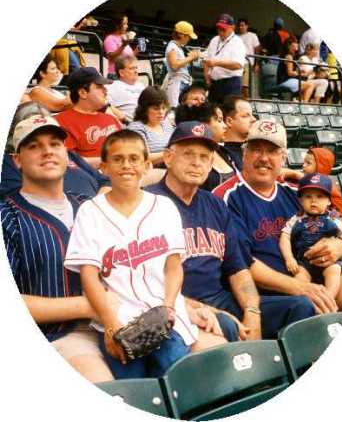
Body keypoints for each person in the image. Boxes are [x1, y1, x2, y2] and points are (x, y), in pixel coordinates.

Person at [64, 129, 222, 379]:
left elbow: (173, 266)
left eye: (134, 158)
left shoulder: (163, 206)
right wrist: (110, 325)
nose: (126, 165)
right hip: (120, 320)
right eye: (118, 159)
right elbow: (89, 277)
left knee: (177, 377)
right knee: (133, 385)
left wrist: (168, 309)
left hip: (166, 315)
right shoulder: (90, 211)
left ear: (147, 165)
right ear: (103, 166)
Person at [147, 121, 316, 342]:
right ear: (168, 157)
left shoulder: (214, 205)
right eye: (188, 154)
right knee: (227, 325)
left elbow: (238, 268)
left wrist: (252, 312)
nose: (197, 163)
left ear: (211, 165)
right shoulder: (147, 204)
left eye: (204, 157)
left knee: (300, 306)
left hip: (222, 299)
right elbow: (142, 282)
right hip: (177, 304)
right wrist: (205, 310)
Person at [0, 114, 115, 383]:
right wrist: (88, 306)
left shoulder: (90, 207)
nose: (47, 151)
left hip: (116, 321)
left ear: (67, 155)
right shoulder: (8, 217)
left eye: (55, 143)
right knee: (108, 389)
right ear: (17, 160)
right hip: (56, 336)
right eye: (34, 146)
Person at [213, 120, 342, 312]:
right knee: (307, 307)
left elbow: (333, 219)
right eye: (257, 149)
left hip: (315, 279)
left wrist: (339, 244)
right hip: (269, 295)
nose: (264, 158)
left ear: (283, 157)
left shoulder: (297, 192)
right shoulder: (225, 197)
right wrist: (301, 288)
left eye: (272, 151)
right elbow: (240, 264)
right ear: (244, 153)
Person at [280, 173, 342, 299]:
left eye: (320, 196)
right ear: (300, 200)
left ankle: (329, 299)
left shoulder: (333, 216)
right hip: (305, 262)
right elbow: (285, 236)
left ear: (328, 201)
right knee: (299, 278)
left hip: (329, 261)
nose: (313, 200)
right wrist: (289, 258)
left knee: (334, 272)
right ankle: (308, 303)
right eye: (308, 196)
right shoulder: (296, 218)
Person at [55, 67, 122, 169]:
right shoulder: (61, 122)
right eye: (99, 86)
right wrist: (112, 161)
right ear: (83, 93)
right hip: (92, 177)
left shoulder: (110, 118)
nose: (105, 90)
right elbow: (67, 162)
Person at [174, 102, 234, 191]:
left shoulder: (225, 153)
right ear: (203, 125)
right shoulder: (183, 159)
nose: (225, 126)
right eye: (219, 120)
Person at [282, 147, 342, 217]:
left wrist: (328, 218)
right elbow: (279, 173)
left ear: (321, 166)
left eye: (308, 163)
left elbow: (339, 213)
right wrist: (294, 174)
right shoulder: (302, 179)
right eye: (304, 162)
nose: (303, 165)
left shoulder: (330, 187)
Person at [204, 14, 246, 104]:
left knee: (229, 111)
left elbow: (238, 65)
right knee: (213, 111)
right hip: (215, 83)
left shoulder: (238, 42)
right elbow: (207, 59)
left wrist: (217, 63)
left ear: (232, 28)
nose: (220, 31)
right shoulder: (214, 40)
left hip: (231, 82)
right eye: (219, 29)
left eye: (224, 29)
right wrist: (207, 78)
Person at [128, 86, 174, 166]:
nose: (161, 112)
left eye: (163, 108)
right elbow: (143, 158)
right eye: (156, 109)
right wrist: (172, 153)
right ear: (145, 109)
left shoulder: (166, 124)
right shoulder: (136, 128)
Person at [163, 21, 201, 108]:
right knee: (175, 109)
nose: (189, 39)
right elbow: (174, 65)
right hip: (176, 83)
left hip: (183, 82)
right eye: (188, 36)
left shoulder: (178, 47)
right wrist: (190, 57)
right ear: (181, 35)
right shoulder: (172, 46)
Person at [221, 95, 257, 171]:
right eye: (246, 116)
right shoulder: (221, 154)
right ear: (229, 121)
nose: (254, 119)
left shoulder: (255, 150)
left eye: (252, 115)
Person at [106, 56, 145, 123]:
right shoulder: (112, 87)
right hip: (130, 125)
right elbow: (104, 106)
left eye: (136, 68)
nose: (136, 71)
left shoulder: (141, 86)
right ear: (121, 73)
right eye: (131, 68)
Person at [276, 36, 314, 101]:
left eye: (296, 47)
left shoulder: (290, 56)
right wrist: (301, 74)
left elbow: (293, 71)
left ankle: (300, 103)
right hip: (285, 80)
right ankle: (304, 105)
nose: (296, 49)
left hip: (288, 79)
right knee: (310, 85)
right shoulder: (289, 56)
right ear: (288, 46)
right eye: (294, 47)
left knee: (307, 84)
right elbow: (290, 73)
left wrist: (301, 71)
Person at [103, 14, 136, 80]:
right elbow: (112, 57)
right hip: (115, 74)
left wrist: (138, 50)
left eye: (127, 23)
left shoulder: (124, 37)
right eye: (124, 24)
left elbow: (129, 58)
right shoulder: (110, 38)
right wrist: (123, 45)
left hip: (126, 74)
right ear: (117, 26)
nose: (127, 26)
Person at [237, 18, 261, 98]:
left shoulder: (252, 35)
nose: (241, 27)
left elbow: (257, 49)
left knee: (246, 86)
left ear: (247, 26)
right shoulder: (236, 37)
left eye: (242, 25)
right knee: (239, 85)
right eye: (239, 26)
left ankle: (248, 102)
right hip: (237, 63)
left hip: (248, 63)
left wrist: (257, 64)